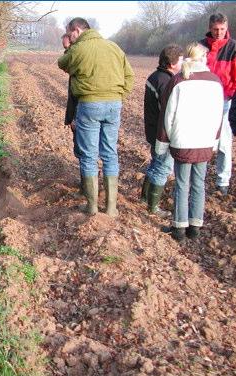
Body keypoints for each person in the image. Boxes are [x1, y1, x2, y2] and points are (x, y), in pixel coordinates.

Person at [58, 17, 134, 216]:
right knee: (110, 153)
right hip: (114, 104)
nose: (70, 38)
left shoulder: (78, 49)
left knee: (89, 155)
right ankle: (111, 208)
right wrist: (119, 96)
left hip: (89, 104)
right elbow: (130, 76)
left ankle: (91, 207)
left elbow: (62, 63)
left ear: (76, 30)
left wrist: (68, 47)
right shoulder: (114, 48)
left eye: (70, 34)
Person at [156, 43, 224, 241]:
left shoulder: (178, 81)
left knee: (182, 184)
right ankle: (195, 226)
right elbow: (218, 116)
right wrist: (215, 141)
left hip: (182, 141)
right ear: (203, 58)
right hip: (204, 141)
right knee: (198, 184)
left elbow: (167, 116)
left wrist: (163, 142)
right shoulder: (215, 81)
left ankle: (179, 228)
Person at [142, 44, 184, 217]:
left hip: (152, 131)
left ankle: (145, 198)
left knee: (155, 164)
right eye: (181, 60)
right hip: (162, 134)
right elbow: (167, 112)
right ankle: (153, 208)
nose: (182, 63)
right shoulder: (166, 82)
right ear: (173, 63)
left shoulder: (154, 77)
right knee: (163, 168)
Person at [199, 13, 236, 196]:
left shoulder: (233, 47)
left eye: (222, 29)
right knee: (203, 141)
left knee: (224, 143)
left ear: (226, 27)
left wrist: (230, 92)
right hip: (203, 101)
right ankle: (199, 178)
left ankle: (223, 181)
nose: (219, 32)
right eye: (215, 29)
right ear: (210, 27)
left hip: (224, 100)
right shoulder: (201, 46)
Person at [62, 34, 81, 191]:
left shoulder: (80, 65)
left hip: (82, 114)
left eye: (67, 48)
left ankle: (87, 189)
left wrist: (74, 118)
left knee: (83, 150)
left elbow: (78, 97)